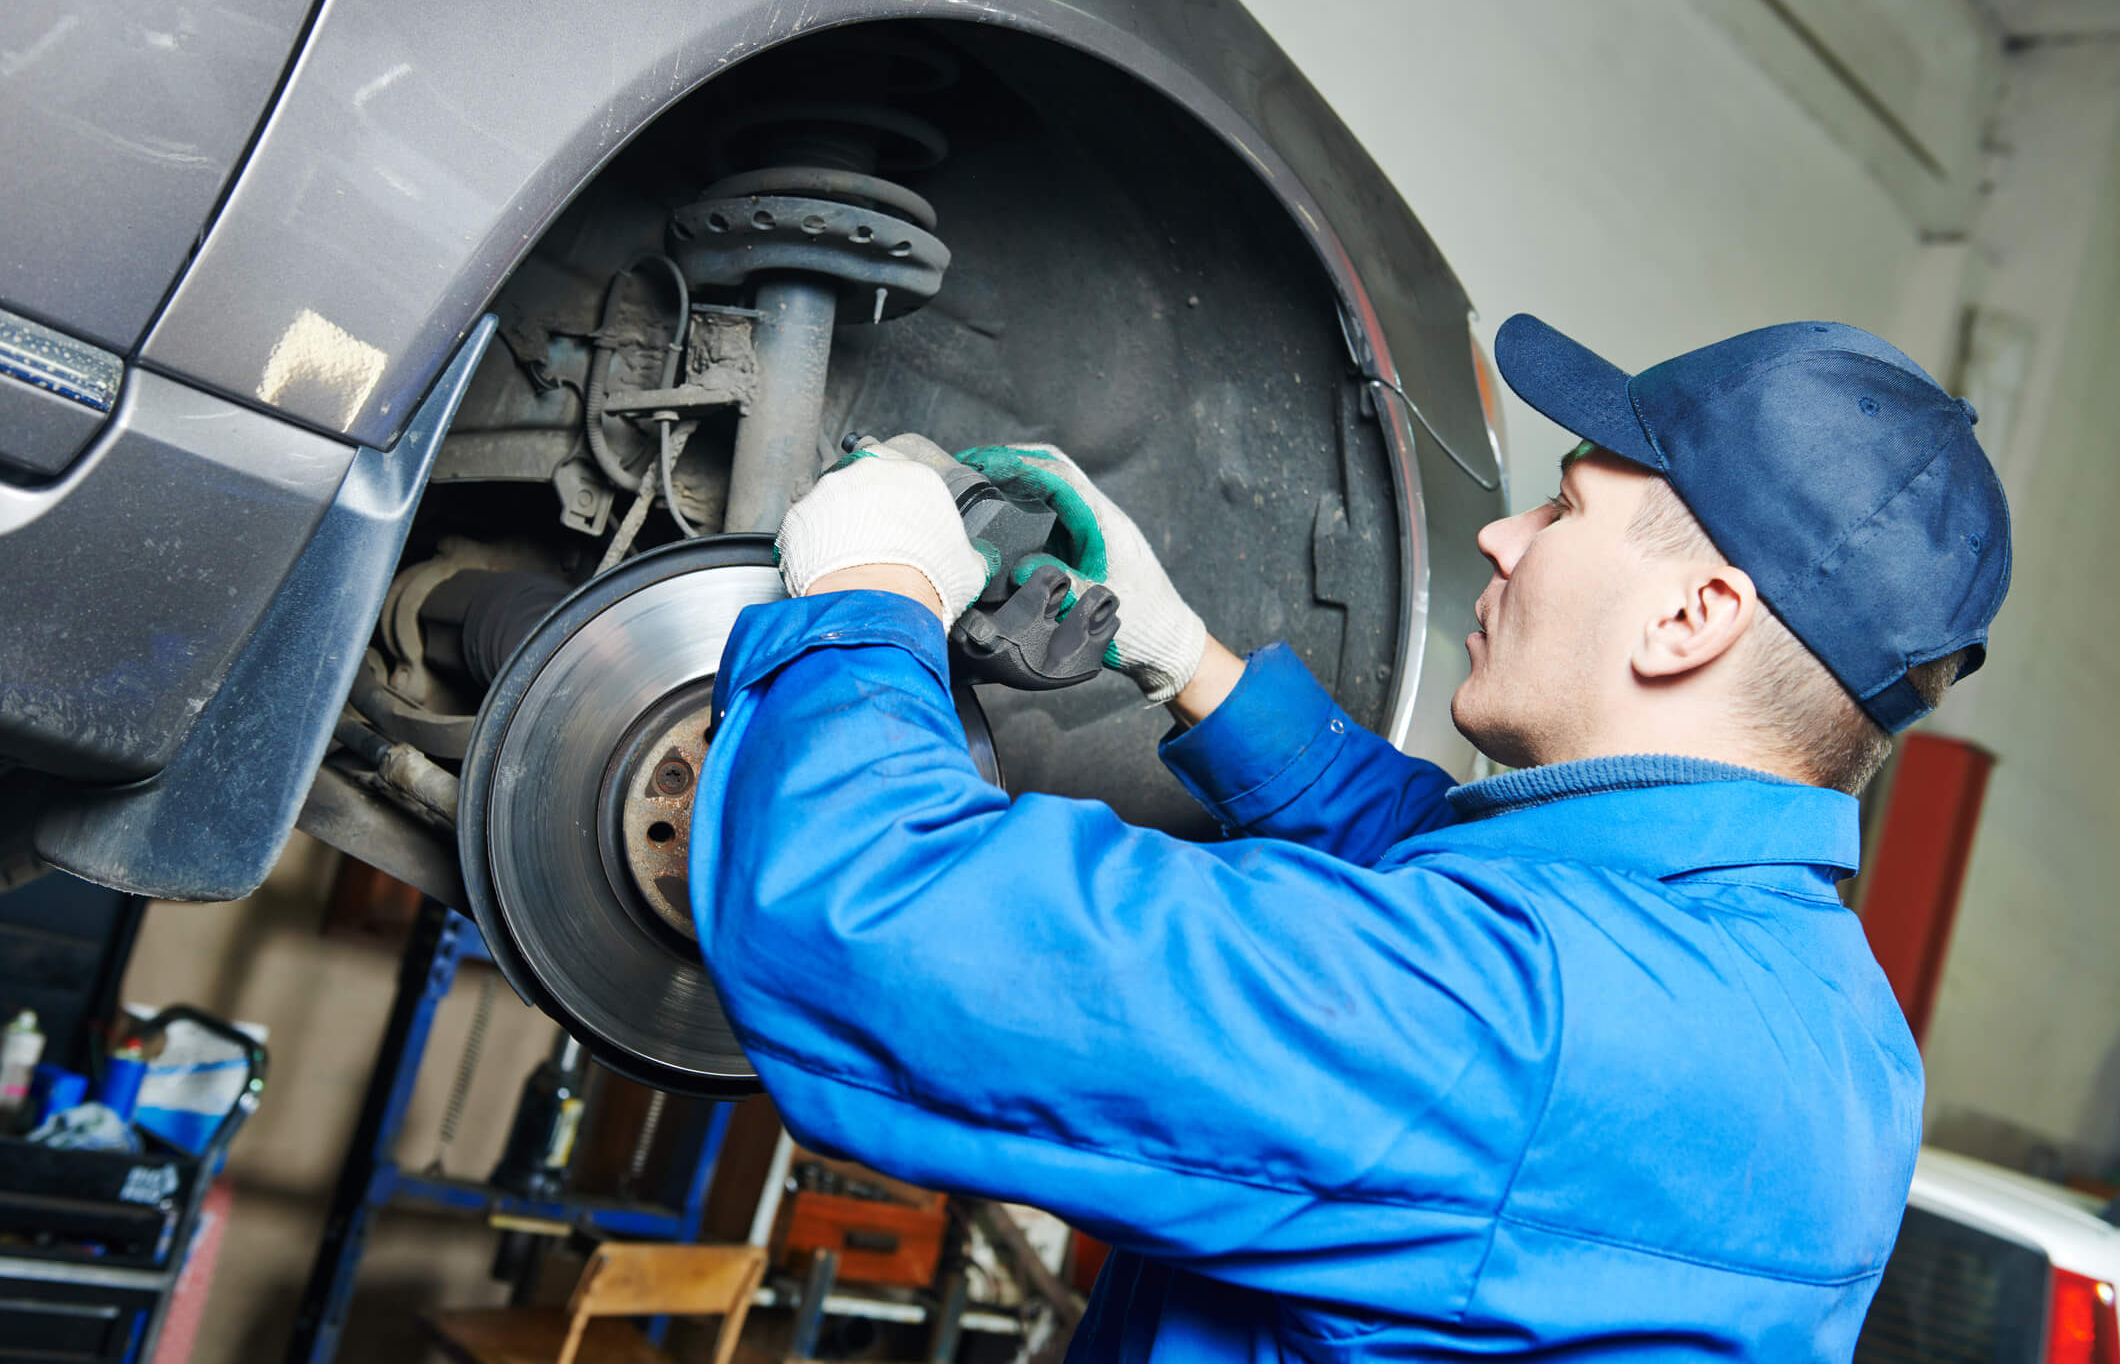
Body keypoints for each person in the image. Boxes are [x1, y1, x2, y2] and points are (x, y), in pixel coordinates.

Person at [686, 315, 2012, 1361]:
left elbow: (868, 912)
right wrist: (1182, 657)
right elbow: (1454, 882)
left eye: (1562, 510)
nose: (1501, 536)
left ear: (1691, 618)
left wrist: (870, 590)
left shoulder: (1518, 1019)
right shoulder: (1836, 1032)